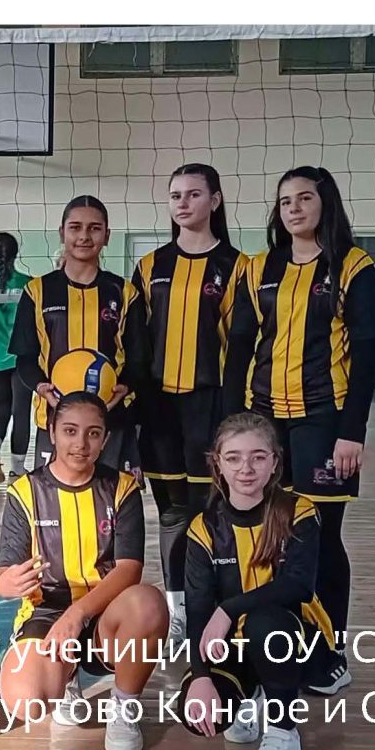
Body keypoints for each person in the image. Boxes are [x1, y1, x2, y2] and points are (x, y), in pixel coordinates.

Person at [224, 166, 375, 695]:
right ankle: (271, 640)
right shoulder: (258, 268)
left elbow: (367, 354)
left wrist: (352, 431)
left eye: (304, 198)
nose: (293, 208)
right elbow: (239, 349)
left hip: (324, 419)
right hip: (265, 418)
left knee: (321, 535)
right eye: (285, 201)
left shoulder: (352, 266)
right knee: (268, 531)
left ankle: (329, 648)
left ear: (325, 203)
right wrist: (231, 426)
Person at [0, 392, 168, 750]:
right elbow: (3, 573)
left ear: (105, 439)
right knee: (26, 701)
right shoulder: (25, 492)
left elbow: (129, 568)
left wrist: (78, 614)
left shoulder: (121, 488)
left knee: (149, 603)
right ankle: (66, 676)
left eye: (93, 433)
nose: (81, 443)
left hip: (103, 615)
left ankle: (124, 707)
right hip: (48, 614)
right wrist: (5, 584)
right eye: (70, 431)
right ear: (52, 431)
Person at [178, 412, 335, 750]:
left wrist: (229, 609)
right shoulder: (204, 528)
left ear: (275, 462)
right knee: (199, 711)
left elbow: (298, 586)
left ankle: (283, 731)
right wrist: (200, 677)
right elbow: (198, 609)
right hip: (234, 643)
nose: (246, 468)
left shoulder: (298, 510)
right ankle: (251, 695)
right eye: (233, 458)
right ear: (217, 463)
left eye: (258, 457)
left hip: (297, 640)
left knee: (265, 624)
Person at [131, 165, 247, 647]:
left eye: (193, 194)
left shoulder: (238, 266)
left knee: (212, 513)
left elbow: (239, 348)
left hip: (210, 405)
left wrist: (234, 416)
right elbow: (137, 346)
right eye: (175, 195)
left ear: (215, 201)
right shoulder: (150, 266)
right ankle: (179, 610)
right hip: (160, 409)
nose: (183, 203)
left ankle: (213, 607)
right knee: (172, 514)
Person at [9, 195, 146, 475]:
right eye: (75, 227)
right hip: (55, 417)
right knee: (54, 496)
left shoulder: (125, 292)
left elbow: (139, 359)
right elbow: (25, 358)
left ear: (107, 236)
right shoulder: (37, 291)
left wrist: (125, 386)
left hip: (111, 417)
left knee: (112, 496)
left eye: (94, 228)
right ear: (62, 233)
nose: (84, 236)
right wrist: (41, 387)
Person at [0, 232, 33, 483]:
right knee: (21, 412)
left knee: (0, 409)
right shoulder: (29, 284)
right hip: (22, 358)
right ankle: (17, 469)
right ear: (16, 254)